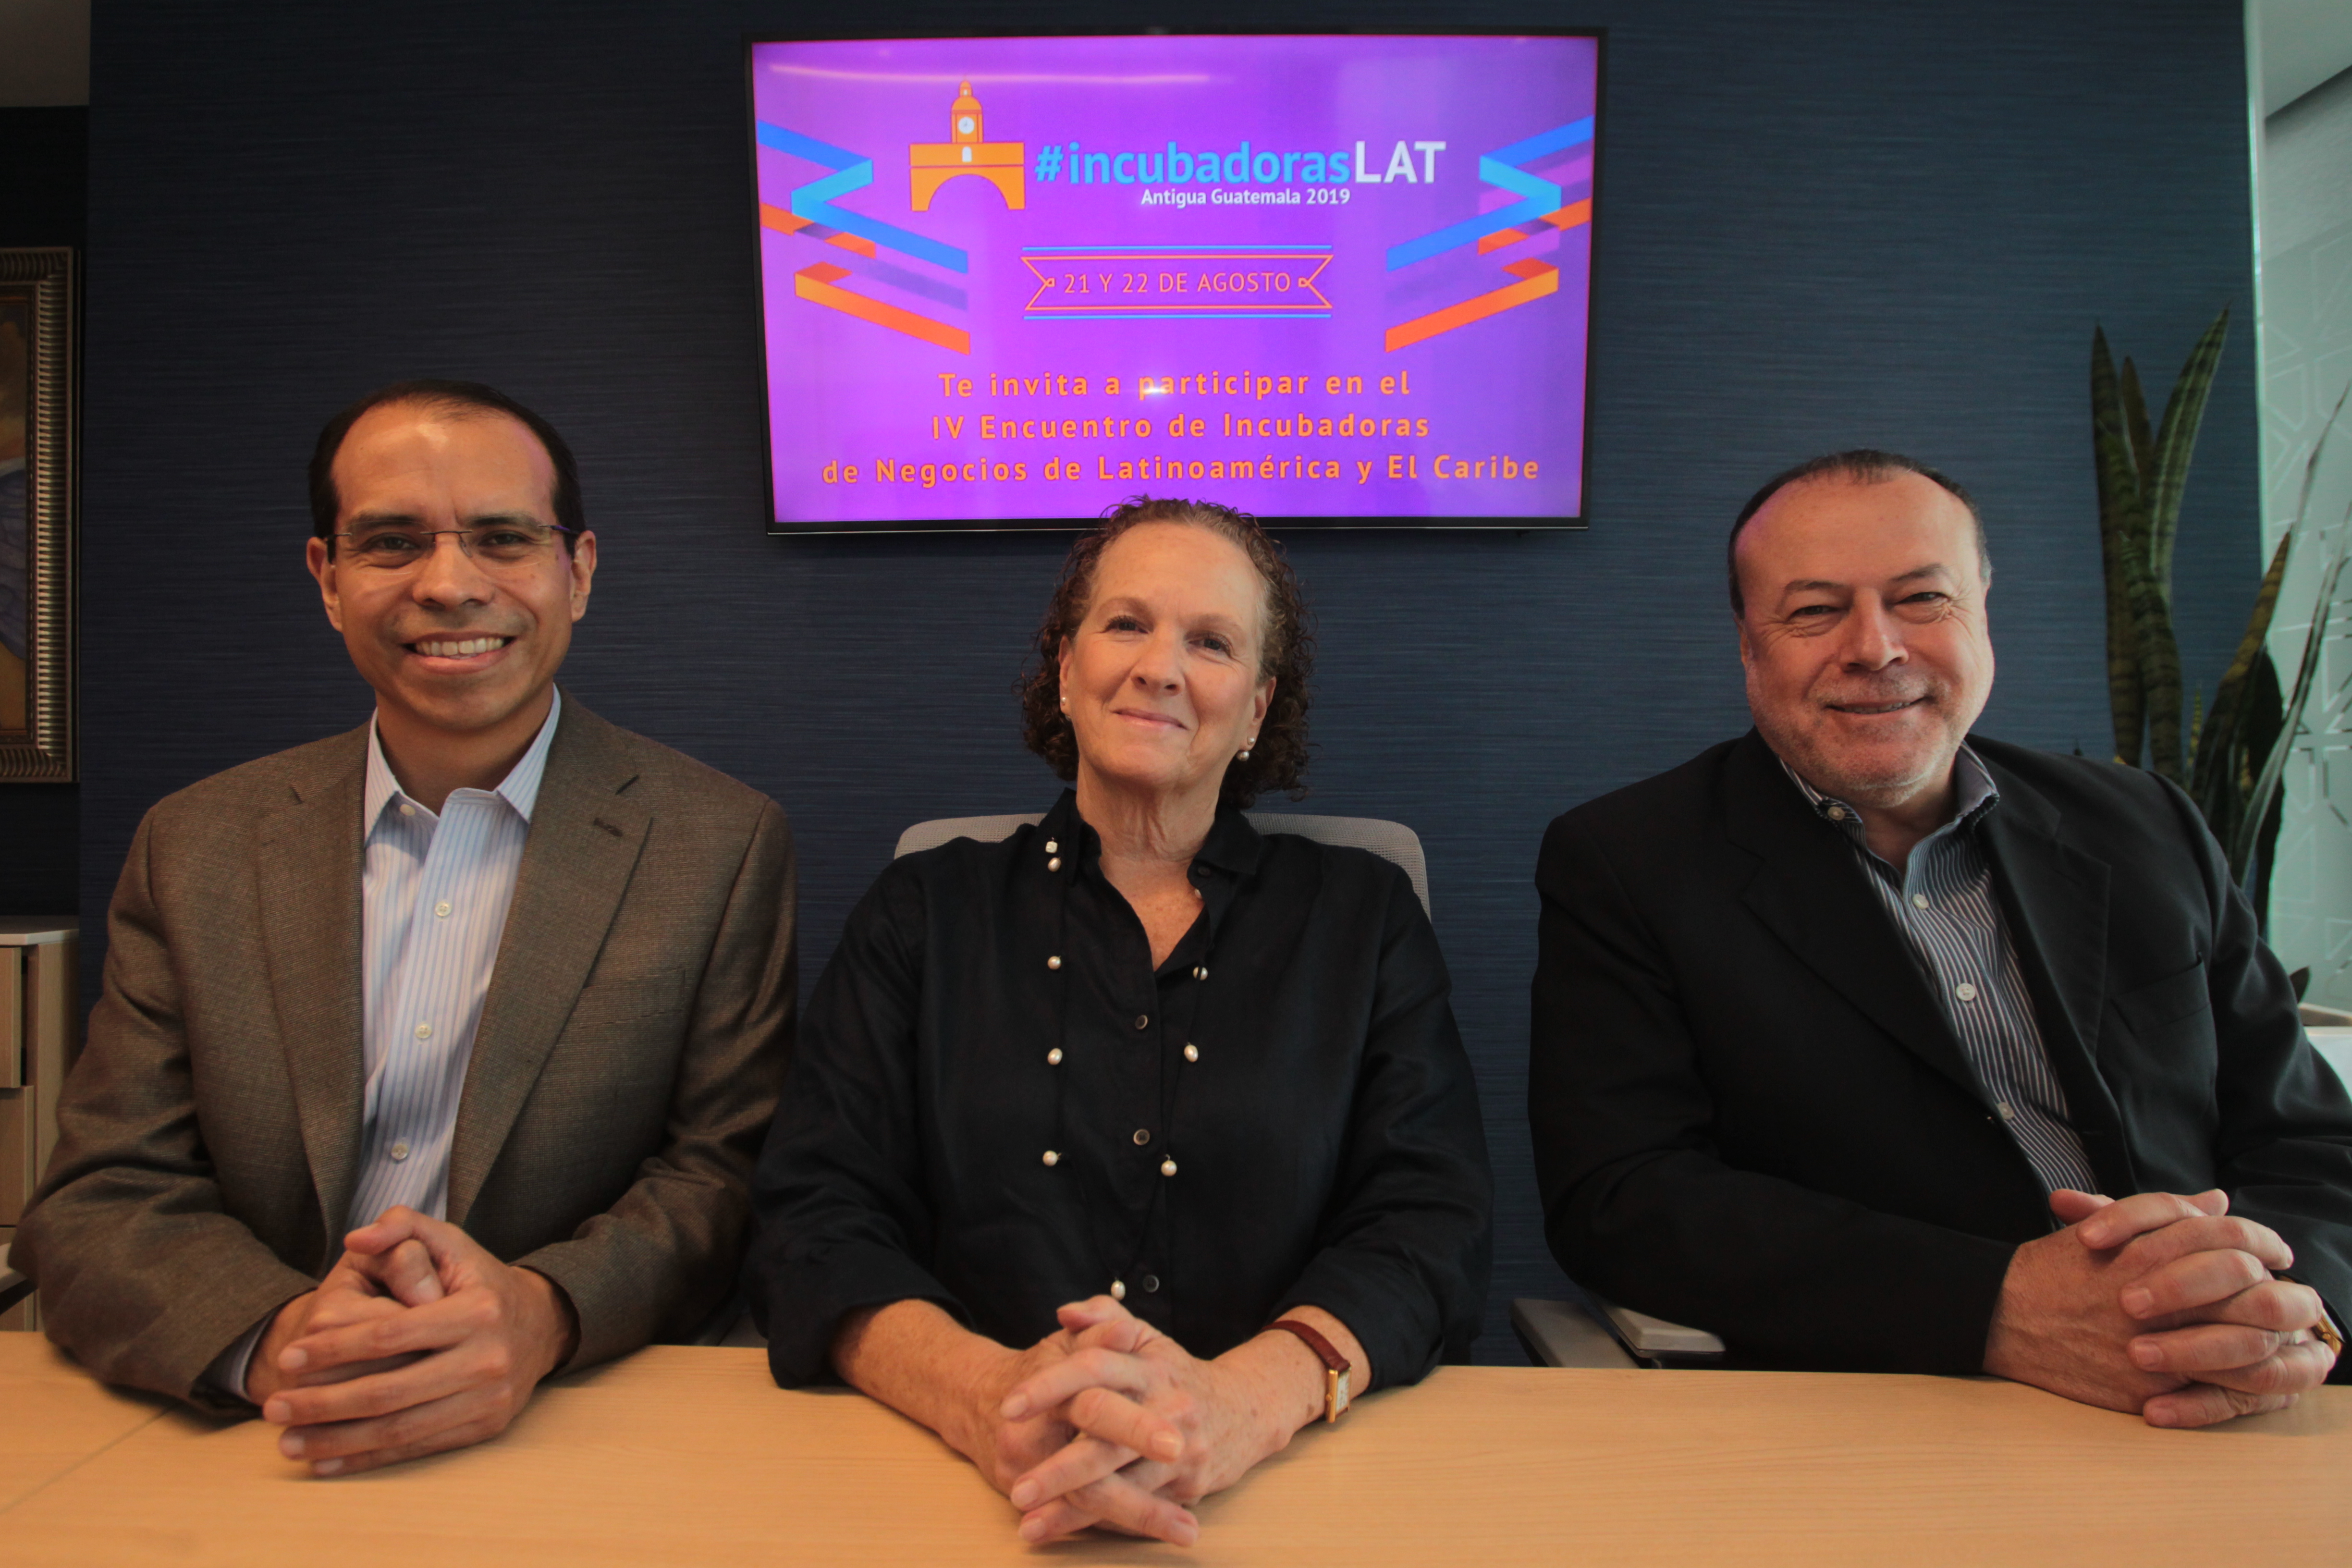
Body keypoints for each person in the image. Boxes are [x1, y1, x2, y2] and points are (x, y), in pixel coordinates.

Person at [17, 379, 796, 1474]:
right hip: (251, 1432)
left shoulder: (719, 843)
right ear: (327, 579)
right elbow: (105, 1190)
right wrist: (282, 1338)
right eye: (391, 543)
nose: (449, 585)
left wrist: (542, 1313)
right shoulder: (195, 845)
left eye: (503, 539)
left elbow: (721, 1176)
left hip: (565, 1428)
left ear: (577, 572)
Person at [1530, 450, 2352, 1425]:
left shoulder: (2147, 824)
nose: (1875, 648)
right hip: (1908, 1408)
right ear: (1749, 645)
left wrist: (2271, 1305)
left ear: (1982, 616)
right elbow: (1624, 1199)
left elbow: (2308, 1143)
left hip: (2255, 1395)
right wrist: (1998, 1306)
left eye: (1922, 598)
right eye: (1815, 611)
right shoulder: (1629, 863)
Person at [748, 498, 1491, 1546]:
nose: (1160, 668)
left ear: (1257, 709)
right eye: (1127, 624)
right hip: (961, 1492)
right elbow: (812, 1214)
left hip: (1287, 1486)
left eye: (1212, 642)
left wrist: (1241, 1404)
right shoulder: (924, 910)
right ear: (1066, 669)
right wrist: (987, 1396)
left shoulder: (1363, 918)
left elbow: (1432, 1221)